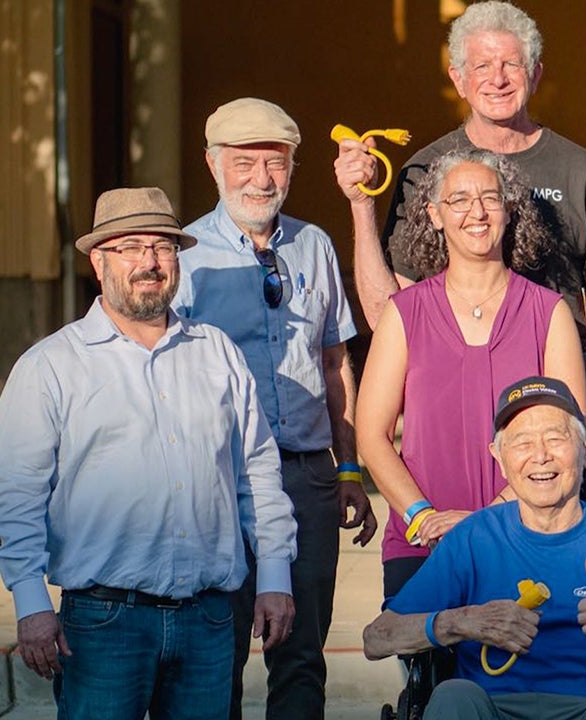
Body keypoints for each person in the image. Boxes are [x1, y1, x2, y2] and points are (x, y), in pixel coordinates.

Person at [0, 187, 298, 719]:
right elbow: (18, 497)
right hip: (104, 624)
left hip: (209, 621)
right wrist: (31, 603)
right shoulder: (52, 366)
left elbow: (258, 475)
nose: (149, 263)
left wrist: (274, 578)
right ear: (98, 260)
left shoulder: (217, 352)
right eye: (130, 247)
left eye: (162, 247)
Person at [335, 0, 586, 511]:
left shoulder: (581, 171)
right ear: (457, 78)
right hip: (449, 424)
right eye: (481, 65)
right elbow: (390, 313)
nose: (497, 78)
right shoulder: (424, 172)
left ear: (536, 74)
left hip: (556, 423)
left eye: (512, 64)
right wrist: (361, 207)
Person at [171, 97, 377, 720]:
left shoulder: (313, 245)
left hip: (310, 478)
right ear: (213, 165)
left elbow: (337, 363)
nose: (261, 178)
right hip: (222, 483)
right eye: (244, 162)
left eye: (276, 162)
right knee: (218, 656)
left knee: (302, 655)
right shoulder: (182, 256)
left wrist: (349, 469)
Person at [365, 376, 586, 720]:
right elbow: (378, 637)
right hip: (492, 706)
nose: (540, 456)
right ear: (500, 458)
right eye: (522, 443)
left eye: (555, 439)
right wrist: (463, 621)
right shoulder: (473, 538)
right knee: (452, 697)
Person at [356, 149, 586, 599]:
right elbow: (371, 436)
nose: (476, 212)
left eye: (490, 197)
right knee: (435, 670)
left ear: (509, 209)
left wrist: (487, 520)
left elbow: (571, 435)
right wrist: (422, 517)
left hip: (529, 537)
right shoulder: (403, 314)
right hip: (425, 543)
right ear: (434, 216)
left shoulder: (549, 312)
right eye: (459, 200)